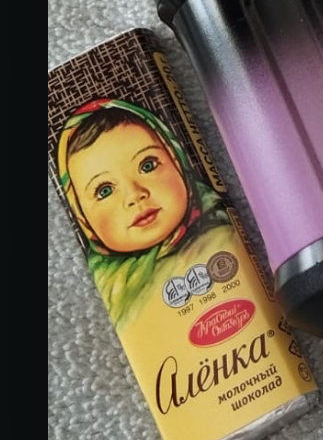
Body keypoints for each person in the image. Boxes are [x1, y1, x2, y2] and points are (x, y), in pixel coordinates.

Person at [56, 97, 235, 331]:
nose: (134, 195)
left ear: (176, 159)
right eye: (105, 190)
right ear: (82, 217)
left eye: (147, 165)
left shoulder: (221, 240)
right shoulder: (107, 286)